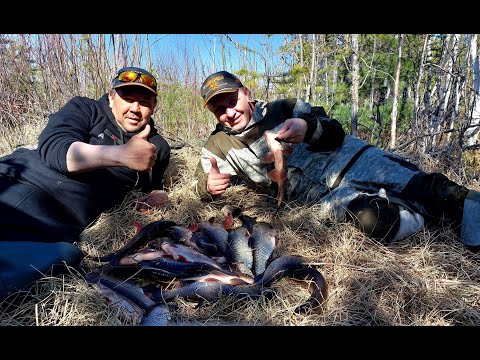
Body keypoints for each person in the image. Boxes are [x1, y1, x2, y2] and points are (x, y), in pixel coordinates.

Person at [194, 70, 480, 251]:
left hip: (357, 159)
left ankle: (461, 218)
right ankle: (416, 214)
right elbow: (201, 182)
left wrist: (308, 127)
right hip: (324, 197)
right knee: (375, 220)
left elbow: (334, 131)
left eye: (231, 101)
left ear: (246, 93)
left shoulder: (286, 107)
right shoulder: (217, 145)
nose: (228, 112)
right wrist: (207, 185)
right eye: (219, 109)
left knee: (433, 189)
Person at [0, 66, 171, 300]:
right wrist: (122, 155)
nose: (135, 108)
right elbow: (55, 149)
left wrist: (159, 196)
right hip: (18, 182)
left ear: (154, 106)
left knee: (56, 262)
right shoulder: (86, 108)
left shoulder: (158, 146)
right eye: (127, 98)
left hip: (57, 225)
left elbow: (154, 187)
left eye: (144, 101)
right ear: (111, 97)